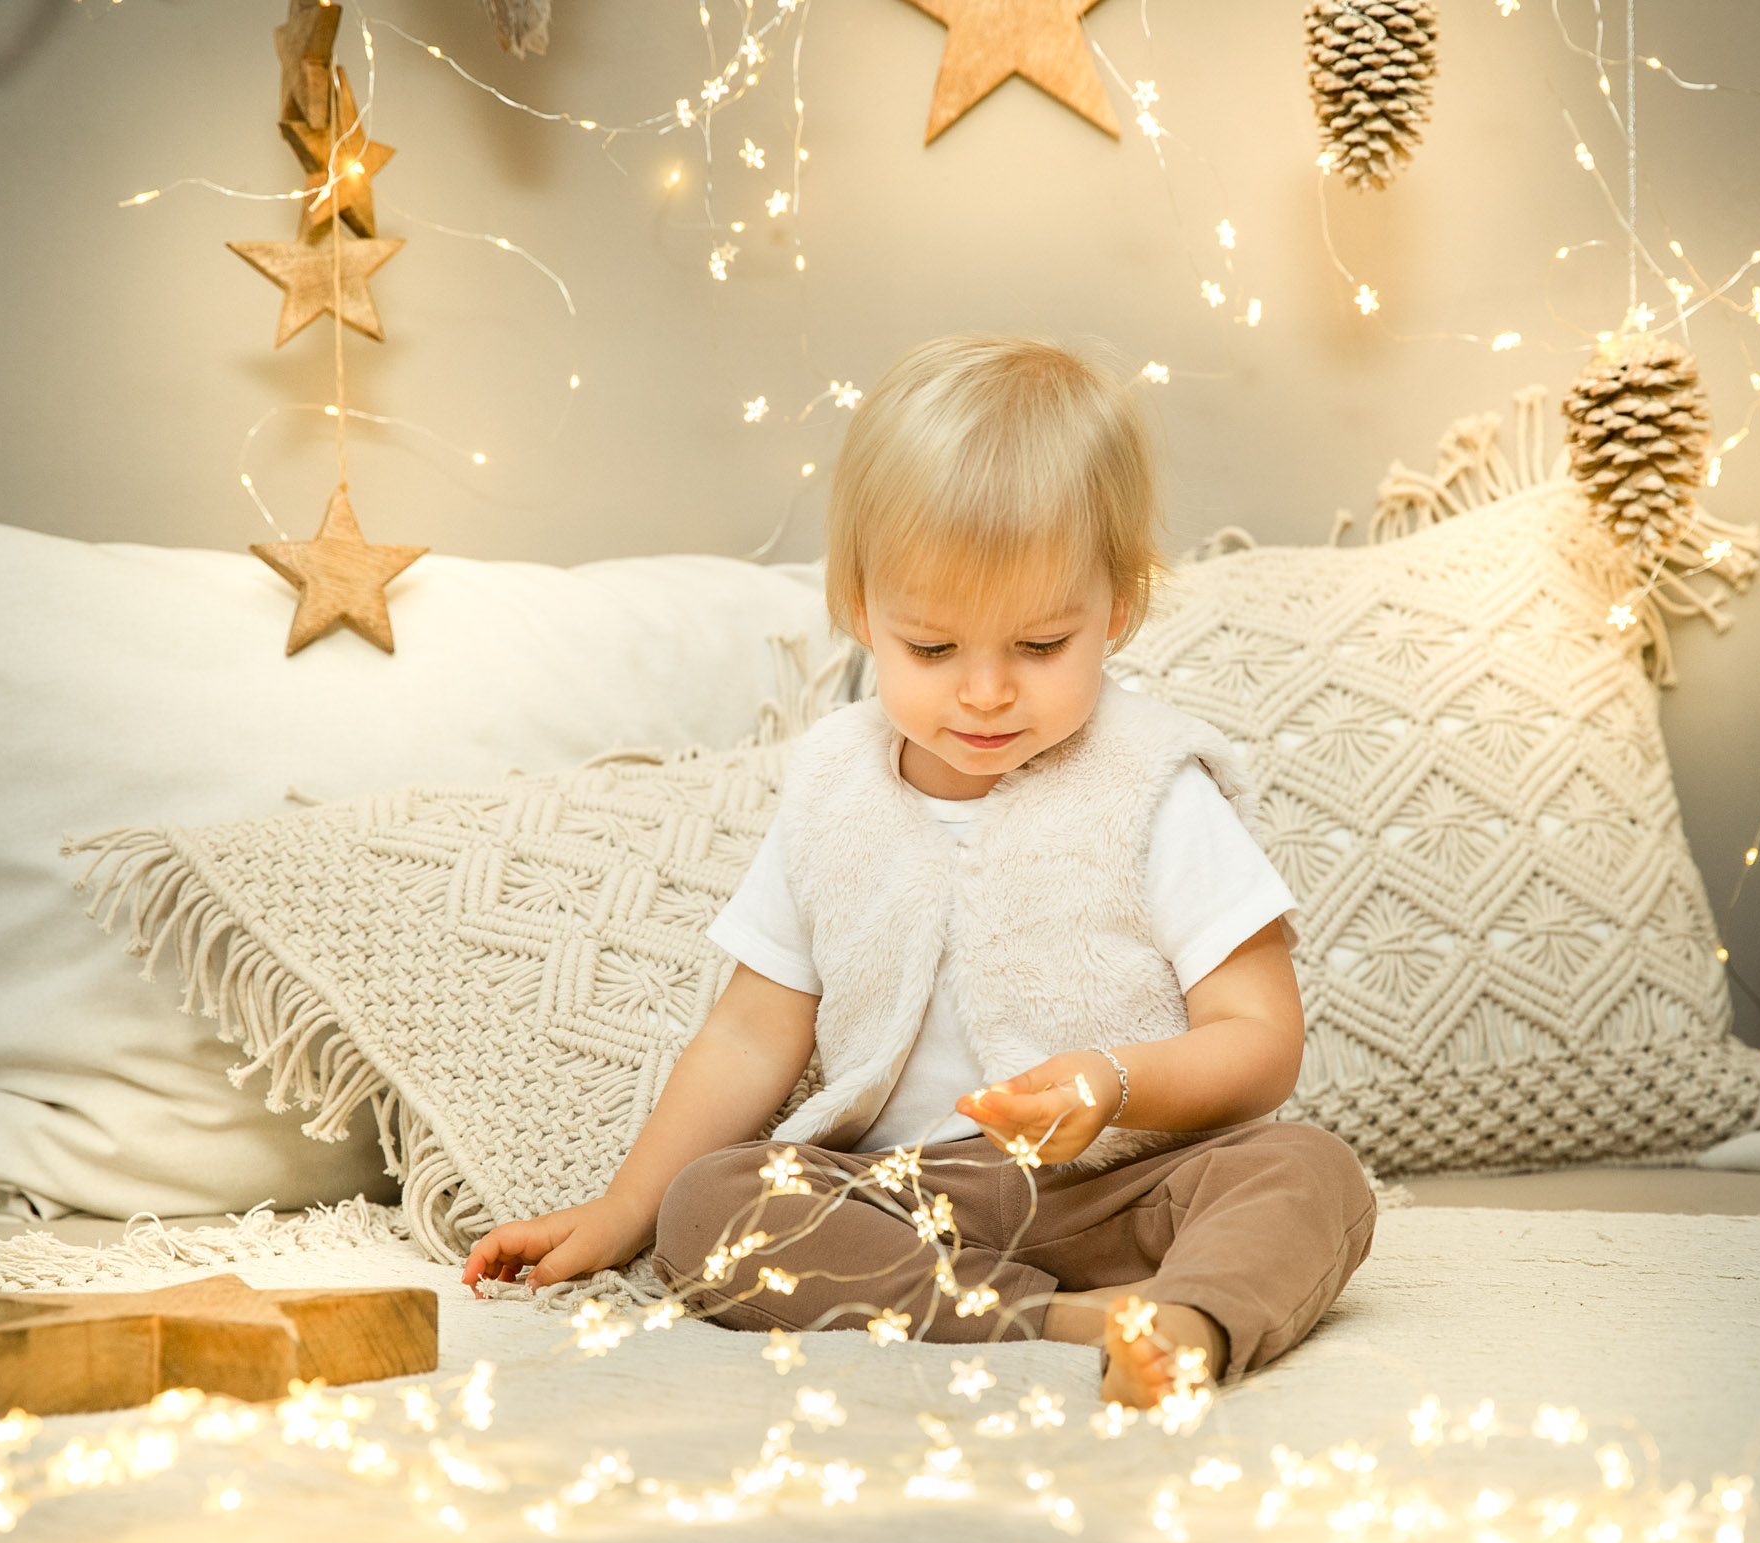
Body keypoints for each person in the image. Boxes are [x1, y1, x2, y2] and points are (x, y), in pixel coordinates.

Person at [462, 334, 1375, 1407]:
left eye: (1039, 646)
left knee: (1308, 1173)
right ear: (858, 608)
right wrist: (622, 1211)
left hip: (1127, 1187)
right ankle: (1060, 1319)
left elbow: (1260, 1040)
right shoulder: (831, 791)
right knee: (712, 1205)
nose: (984, 693)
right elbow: (753, 1030)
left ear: (1116, 610)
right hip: (906, 1195)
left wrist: (1114, 1080)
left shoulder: (1153, 786)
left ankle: (1195, 1313)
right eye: (932, 650)